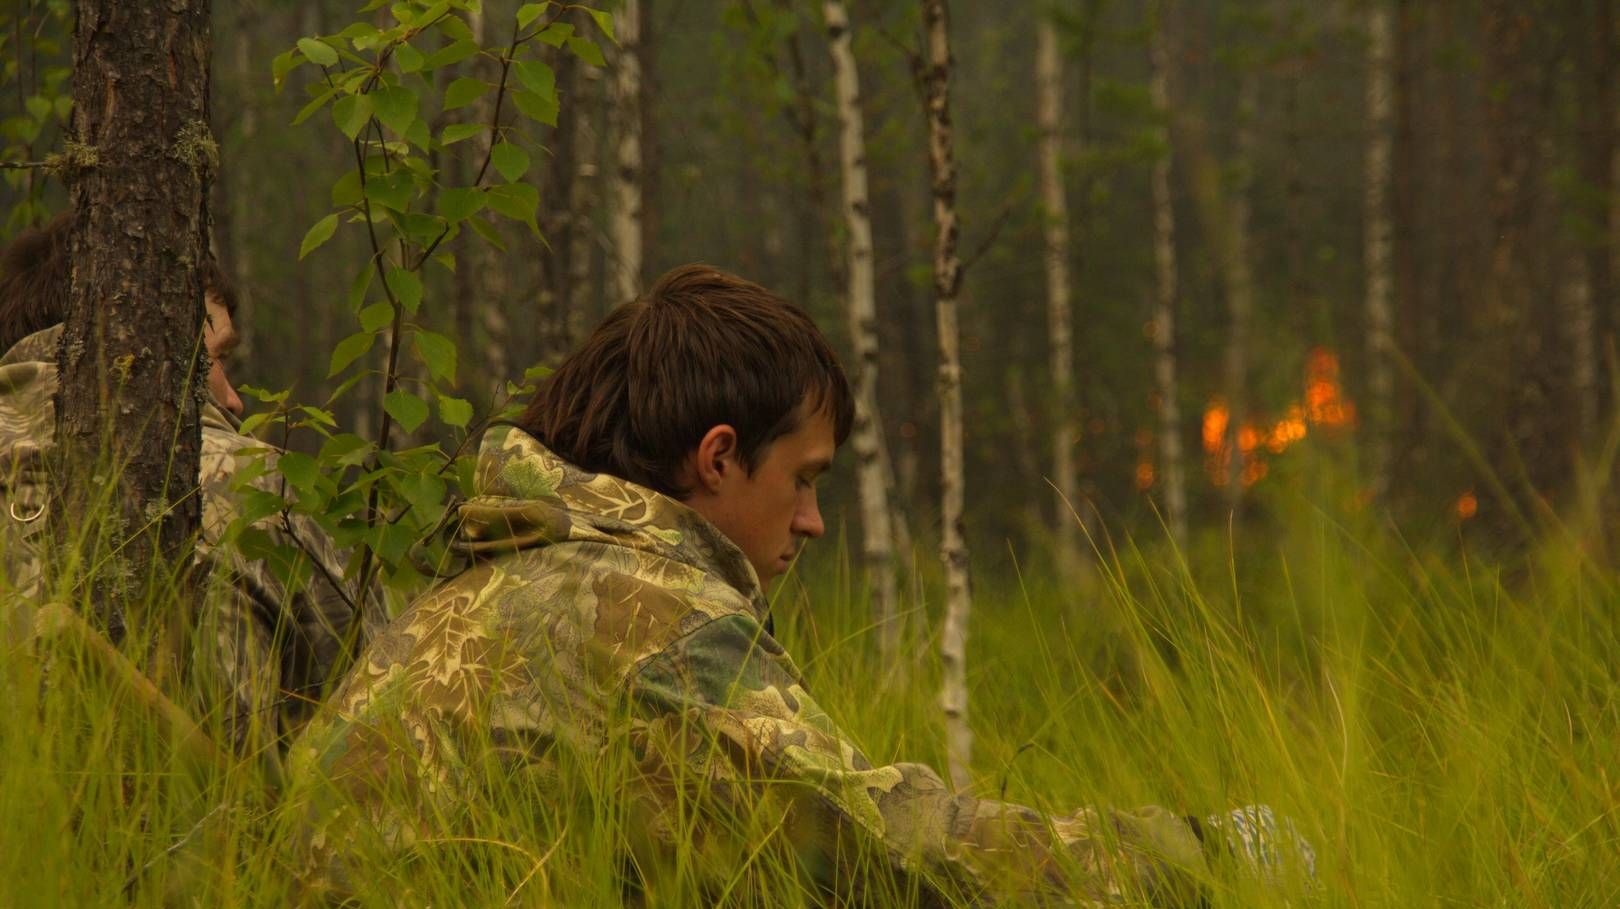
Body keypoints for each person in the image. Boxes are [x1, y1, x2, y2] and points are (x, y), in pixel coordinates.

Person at [285, 265, 1311, 904]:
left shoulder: (466, 597)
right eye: (805, 481)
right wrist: (1205, 856)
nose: (814, 522)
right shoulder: (645, 619)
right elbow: (875, 858)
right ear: (718, 457)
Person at [0, 211, 367, 777]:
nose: (236, 399)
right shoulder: (251, 481)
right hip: (226, 855)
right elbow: (378, 718)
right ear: (151, 339)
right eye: (215, 358)